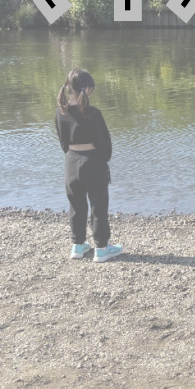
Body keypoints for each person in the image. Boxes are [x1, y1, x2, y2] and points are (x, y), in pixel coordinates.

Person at [56, 68, 123, 263]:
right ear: (87, 89)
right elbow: (104, 143)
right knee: (98, 205)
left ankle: (77, 246)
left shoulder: (60, 112)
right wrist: (103, 160)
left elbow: (63, 142)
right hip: (93, 161)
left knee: (75, 205)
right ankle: (101, 249)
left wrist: (72, 156)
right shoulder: (93, 113)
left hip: (71, 162)